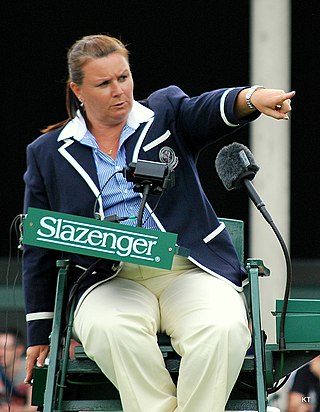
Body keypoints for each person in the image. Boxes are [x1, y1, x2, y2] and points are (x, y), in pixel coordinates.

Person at [22, 34, 295, 412]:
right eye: (103, 83)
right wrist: (40, 328)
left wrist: (252, 98)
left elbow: (208, 109)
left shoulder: (164, 112)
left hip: (188, 270)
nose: (119, 90)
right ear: (77, 90)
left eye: (124, 77)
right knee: (110, 331)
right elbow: (38, 246)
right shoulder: (47, 153)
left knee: (223, 330)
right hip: (107, 279)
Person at [0, 329, 36, 412]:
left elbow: (34, 408)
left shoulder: (31, 371)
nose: (0, 353)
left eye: (5, 348)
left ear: (19, 349)